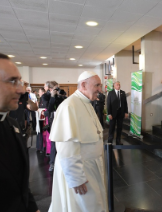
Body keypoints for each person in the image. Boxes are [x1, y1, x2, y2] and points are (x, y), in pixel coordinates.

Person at [0, 51, 39, 212]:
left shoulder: (12, 124)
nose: (20, 90)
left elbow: (19, 182)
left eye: (20, 82)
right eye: (11, 81)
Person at [48, 71, 107, 212]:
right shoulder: (69, 106)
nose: (100, 89)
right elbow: (66, 146)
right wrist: (76, 178)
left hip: (91, 167)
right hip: (80, 171)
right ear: (83, 85)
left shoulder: (86, 102)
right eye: (97, 85)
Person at [46, 81, 65, 172]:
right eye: (55, 88)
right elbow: (49, 109)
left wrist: (60, 96)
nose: (57, 90)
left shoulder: (59, 97)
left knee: (62, 141)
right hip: (52, 121)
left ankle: (61, 161)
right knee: (53, 142)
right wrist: (53, 97)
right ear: (50, 89)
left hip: (61, 121)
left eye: (58, 88)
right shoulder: (46, 96)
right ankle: (52, 162)